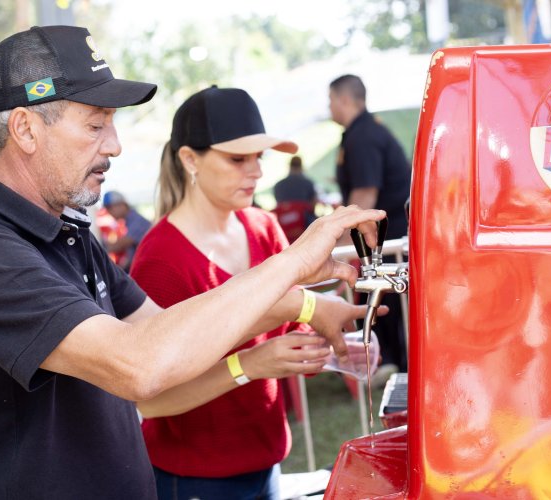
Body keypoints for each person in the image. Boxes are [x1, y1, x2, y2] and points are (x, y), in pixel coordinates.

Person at [0, 26, 386, 499]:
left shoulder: (68, 231)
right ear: (24, 129)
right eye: (95, 125)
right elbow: (140, 364)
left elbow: (170, 336)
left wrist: (303, 306)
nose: (115, 144)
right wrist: (293, 263)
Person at [129, 86, 380, 500]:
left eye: (259, 157)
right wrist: (249, 365)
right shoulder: (161, 258)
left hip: (266, 462)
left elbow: (278, 340)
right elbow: (153, 400)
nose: (257, 172)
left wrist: (334, 352)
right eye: (237, 159)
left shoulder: (262, 227)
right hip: (195, 478)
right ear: (190, 159)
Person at [329, 74, 411, 380]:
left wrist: (333, 242)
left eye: (331, 100)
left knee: (390, 308)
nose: (329, 107)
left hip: (388, 237)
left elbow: (364, 195)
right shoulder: (360, 132)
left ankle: (395, 370)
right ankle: (388, 366)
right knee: (384, 308)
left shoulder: (363, 136)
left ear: (344, 100)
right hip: (382, 237)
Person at [96, 190, 151, 270]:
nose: (108, 212)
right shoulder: (129, 221)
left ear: (122, 205)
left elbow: (118, 245)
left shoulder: (137, 221)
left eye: (110, 207)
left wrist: (95, 248)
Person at [272, 155, 318, 241]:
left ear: (289, 166)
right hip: (304, 225)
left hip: (283, 226)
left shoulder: (278, 185)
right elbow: (313, 205)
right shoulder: (308, 183)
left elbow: (278, 205)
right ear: (301, 167)